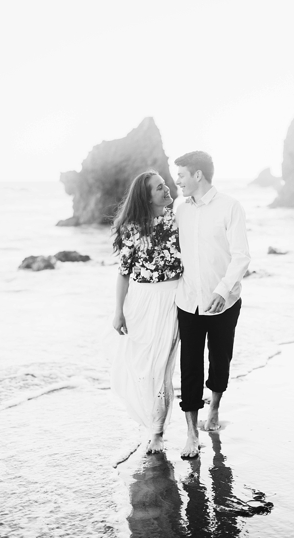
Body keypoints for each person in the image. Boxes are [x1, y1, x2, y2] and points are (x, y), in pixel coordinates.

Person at [173, 151, 250, 459]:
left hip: (224, 302)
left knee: (220, 359)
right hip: (188, 300)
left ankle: (214, 408)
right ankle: (191, 433)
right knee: (189, 366)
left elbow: (241, 256)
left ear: (198, 175)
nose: (177, 181)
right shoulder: (180, 209)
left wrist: (222, 290)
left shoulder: (230, 207)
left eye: (181, 175)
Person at [110, 170, 183, 454]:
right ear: (146, 196)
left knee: (163, 369)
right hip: (141, 302)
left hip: (173, 300)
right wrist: (118, 311)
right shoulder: (132, 228)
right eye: (158, 188)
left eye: (165, 185)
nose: (166, 190)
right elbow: (123, 274)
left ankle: (157, 432)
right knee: (143, 368)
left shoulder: (179, 220)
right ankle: (150, 421)